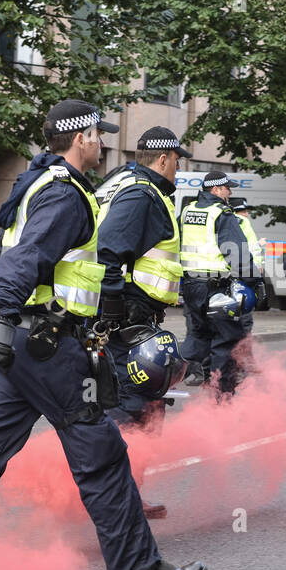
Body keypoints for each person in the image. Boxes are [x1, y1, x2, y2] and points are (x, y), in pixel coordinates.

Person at [0, 100, 206, 570]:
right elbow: (24, 259)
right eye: (98, 134)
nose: (102, 142)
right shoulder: (65, 194)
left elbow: (0, 254)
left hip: (20, 344)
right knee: (102, 458)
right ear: (80, 137)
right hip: (48, 346)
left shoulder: (33, 185)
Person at [96, 126, 191, 430]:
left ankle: (124, 471)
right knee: (132, 406)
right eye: (177, 161)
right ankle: (122, 471)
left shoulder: (125, 184)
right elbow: (107, 250)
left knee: (137, 401)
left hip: (130, 317)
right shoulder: (143, 194)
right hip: (127, 320)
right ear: (163, 159)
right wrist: (113, 307)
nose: (179, 168)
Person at [178, 169, 260, 394]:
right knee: (227, 339)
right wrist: (254, 282)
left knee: (200, 335)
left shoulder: (187, 211)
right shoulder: (221, 213)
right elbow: (238, 253)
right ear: (215, 189)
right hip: (216, 288)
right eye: (227, 188)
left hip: (191, 286)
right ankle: (222, 394)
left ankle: (205, 382)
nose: (229, 192)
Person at [228, 197, 270, 340]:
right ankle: (243, 355)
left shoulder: (224, 221)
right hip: (243, 276)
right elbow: (249, 248)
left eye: (246, 211)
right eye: (242, 211)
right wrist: (257, 269)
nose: (246, 214)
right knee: (244, 317)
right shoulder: (243, 223)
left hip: (226, 275)